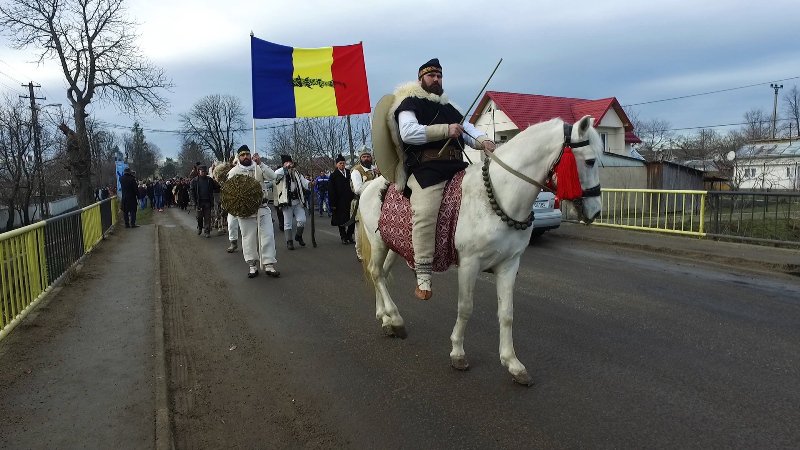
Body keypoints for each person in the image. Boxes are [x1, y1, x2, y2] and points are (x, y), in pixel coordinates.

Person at [394, 58, 496, 300]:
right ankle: (424, 275)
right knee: (426, 212)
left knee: (487, 196)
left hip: (456, 166)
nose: (437, 80)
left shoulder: (451, 107)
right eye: (432, 76)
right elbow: (407, 133)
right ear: (421, 79)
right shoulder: (409, 103)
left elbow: (469, 130)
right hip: (426, 168)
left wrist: (485, 141)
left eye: (440, 76)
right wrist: (444, 130)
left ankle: (487, 253)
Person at [226, 145, 280, 278]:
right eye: (242, 155)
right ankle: (252, 265)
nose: (245, 157)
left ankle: (269, 264)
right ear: (238, 157)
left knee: (267, 235)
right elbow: (229, 192)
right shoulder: (234, 172)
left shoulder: (258, 167)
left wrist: (261, 164)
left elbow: (273, 177)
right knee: (248, 238)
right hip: (245, 212)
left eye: (247, 154)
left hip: (262, 208)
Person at [274, 154, 311, 250]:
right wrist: (285, 168)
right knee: (287, 223)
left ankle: (298, 236)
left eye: (290, 162)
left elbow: (304, 182)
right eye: (287, 162)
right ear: (283, 164)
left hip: (298, 201)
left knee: (302, 220)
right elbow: (275, 177)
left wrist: (310, 183)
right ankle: (289, 241)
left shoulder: (297, 173)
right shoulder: (280, 172)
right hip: (287, 202)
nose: (290, 164)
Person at [350, 148, 377, 260]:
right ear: (360, 158)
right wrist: (376, 182)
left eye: (368, 156)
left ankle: (374, 251)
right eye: (364, 157)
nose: (366, 158)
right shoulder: (356, 170)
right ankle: (359, 252)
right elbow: (358, 189)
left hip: (374, 202)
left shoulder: (375, 169)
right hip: (360, 203)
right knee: (360, 229)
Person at [328, 154, 354, 244]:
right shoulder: (333, 175)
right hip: (339, 201)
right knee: (341, 220)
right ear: (336, 165)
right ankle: (343, 237)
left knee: (352, 219)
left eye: (343, 163)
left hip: (350, 200)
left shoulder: (350, 172)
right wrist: (333, 204)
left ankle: (349, 235)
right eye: (340, 163)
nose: (342, 165)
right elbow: (331, 190)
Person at [190, 165, 220, 238]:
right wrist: (194, 202)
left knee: (208, 217)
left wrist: (217, 181)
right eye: (202, 171)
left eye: (205, 171)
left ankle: (207, 231)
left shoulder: (209, 180)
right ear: (199, 172)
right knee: (199, 217)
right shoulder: (194, 181)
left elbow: (217, 187)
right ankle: (200, 227)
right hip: (199, 202)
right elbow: (192, 192)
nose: (204, 173)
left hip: (208, 202)